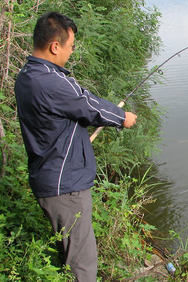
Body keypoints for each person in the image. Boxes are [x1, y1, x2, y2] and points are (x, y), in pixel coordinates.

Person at [14, 12, 137, 281]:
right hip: (65, 187)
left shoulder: (27, 76)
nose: (71, 53)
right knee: (82, 263)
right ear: (54, 46)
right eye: (70, 47)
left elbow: (81, 99)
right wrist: (122, 118)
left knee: (68, 253)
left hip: (49, 178)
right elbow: (86, 105)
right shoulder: (50, 82)